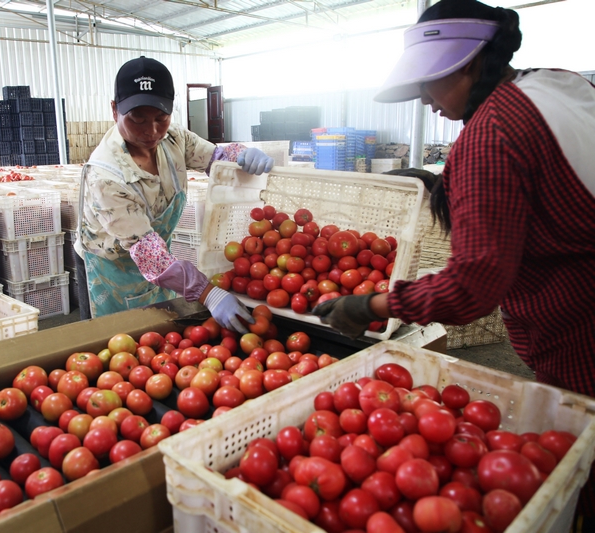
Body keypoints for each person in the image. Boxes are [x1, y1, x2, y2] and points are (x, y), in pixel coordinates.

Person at [313, 0, 595, 525]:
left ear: (470, 63)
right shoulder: (553, 84)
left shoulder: (490, 133)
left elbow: (473, 286)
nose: (423, 98)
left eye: (431, 81)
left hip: (582, 326)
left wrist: (371, 304)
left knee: (582, 469)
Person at [74, 56, 274, 332]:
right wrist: (209, 293)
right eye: (137, 119)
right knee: (115, 340)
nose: (151, 131)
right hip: (113, 268)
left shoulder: (173, 138)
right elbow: (149, 254)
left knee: (160, 332)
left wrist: (240, 155)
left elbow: (214, 156)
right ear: (114, 110)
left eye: (161, 118)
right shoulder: (106, 178)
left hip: (159, 257)